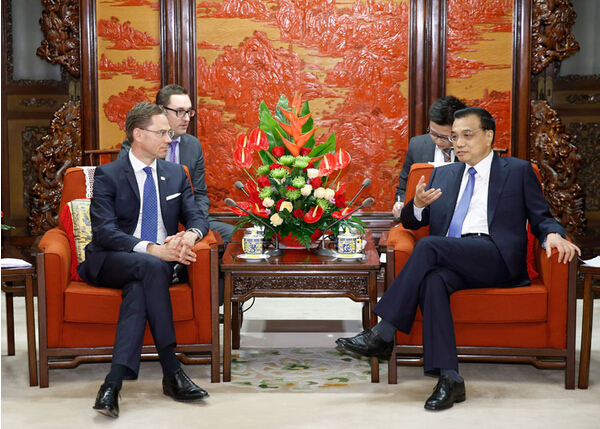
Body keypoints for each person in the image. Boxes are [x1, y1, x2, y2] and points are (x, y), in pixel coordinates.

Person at [337, 107, 580, 411]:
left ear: (488, 136)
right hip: (453, 257)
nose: (459, 143)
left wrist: (553, 234)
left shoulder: (517, 171)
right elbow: (410, 223)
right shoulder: (443, 174)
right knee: (433, 281)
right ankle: (450, 379)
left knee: (429, 248)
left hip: (496, 258)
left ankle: (384, 332)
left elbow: (542, 216)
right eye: (454, 136)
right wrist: (418, 205)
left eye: (467, 135)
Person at [78, 102, 211, 418]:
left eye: (168, 133)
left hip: (156, 265)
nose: (169, 139)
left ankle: (112, 385)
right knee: (151, 265)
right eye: (161, 132)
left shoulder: (175, 174)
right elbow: (104, 232)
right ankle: (172, 371)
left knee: (140, 287)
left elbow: (196, 216)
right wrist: (153, 249)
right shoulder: (108, 174)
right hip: (112, 260)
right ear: (138, 134)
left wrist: (190, 235)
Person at [119, 84, 235, 245]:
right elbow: (127, 191)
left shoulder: (193, 145)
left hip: (188, 217)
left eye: (189, 112)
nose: (186, 118)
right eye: (180, 112)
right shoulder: (140, 145)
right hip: (153, 218)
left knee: (236, 235)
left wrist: (195, 224)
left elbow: (200, 193)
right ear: (162, 111)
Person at [392, 96, 467, 218]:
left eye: (445, 137)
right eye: (433, 133)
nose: (438, 141)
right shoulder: (417, 145)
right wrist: (400, 203)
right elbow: (404, 187)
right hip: (425, 218)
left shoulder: (470, 150)